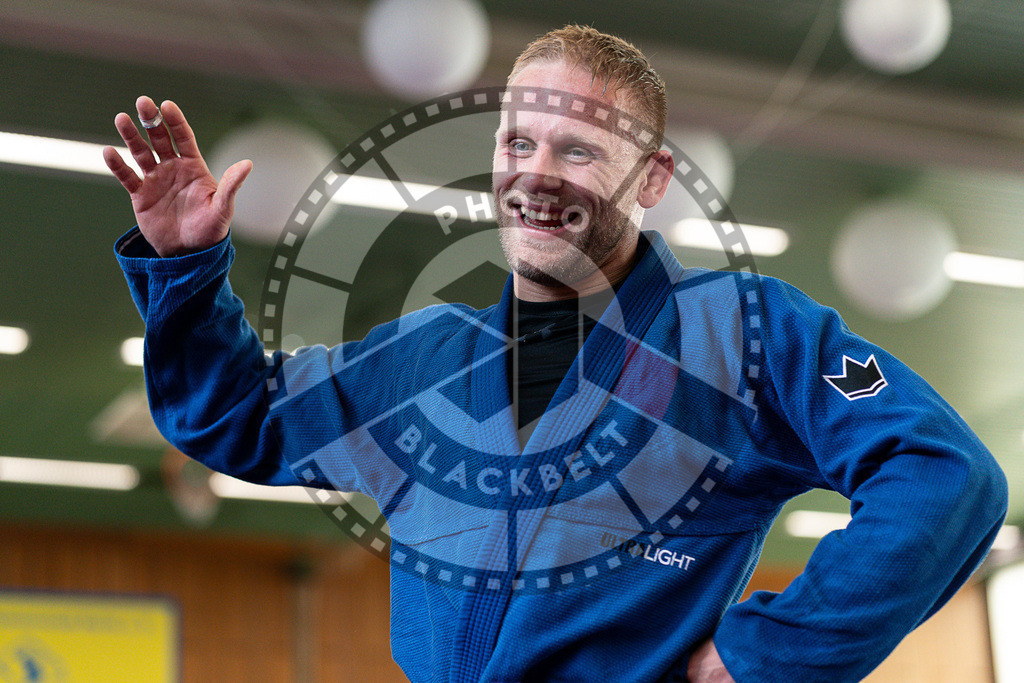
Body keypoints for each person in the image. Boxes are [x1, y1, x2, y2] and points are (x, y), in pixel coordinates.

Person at [105, 25, 1007, 683]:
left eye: (579, 149)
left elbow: (945, 474)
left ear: (651, 178)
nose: (537, 173)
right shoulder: (426, 359)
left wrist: (765, 654)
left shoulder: (740, 333)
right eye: (519, 141)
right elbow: (238, 418)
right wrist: (187, 270)